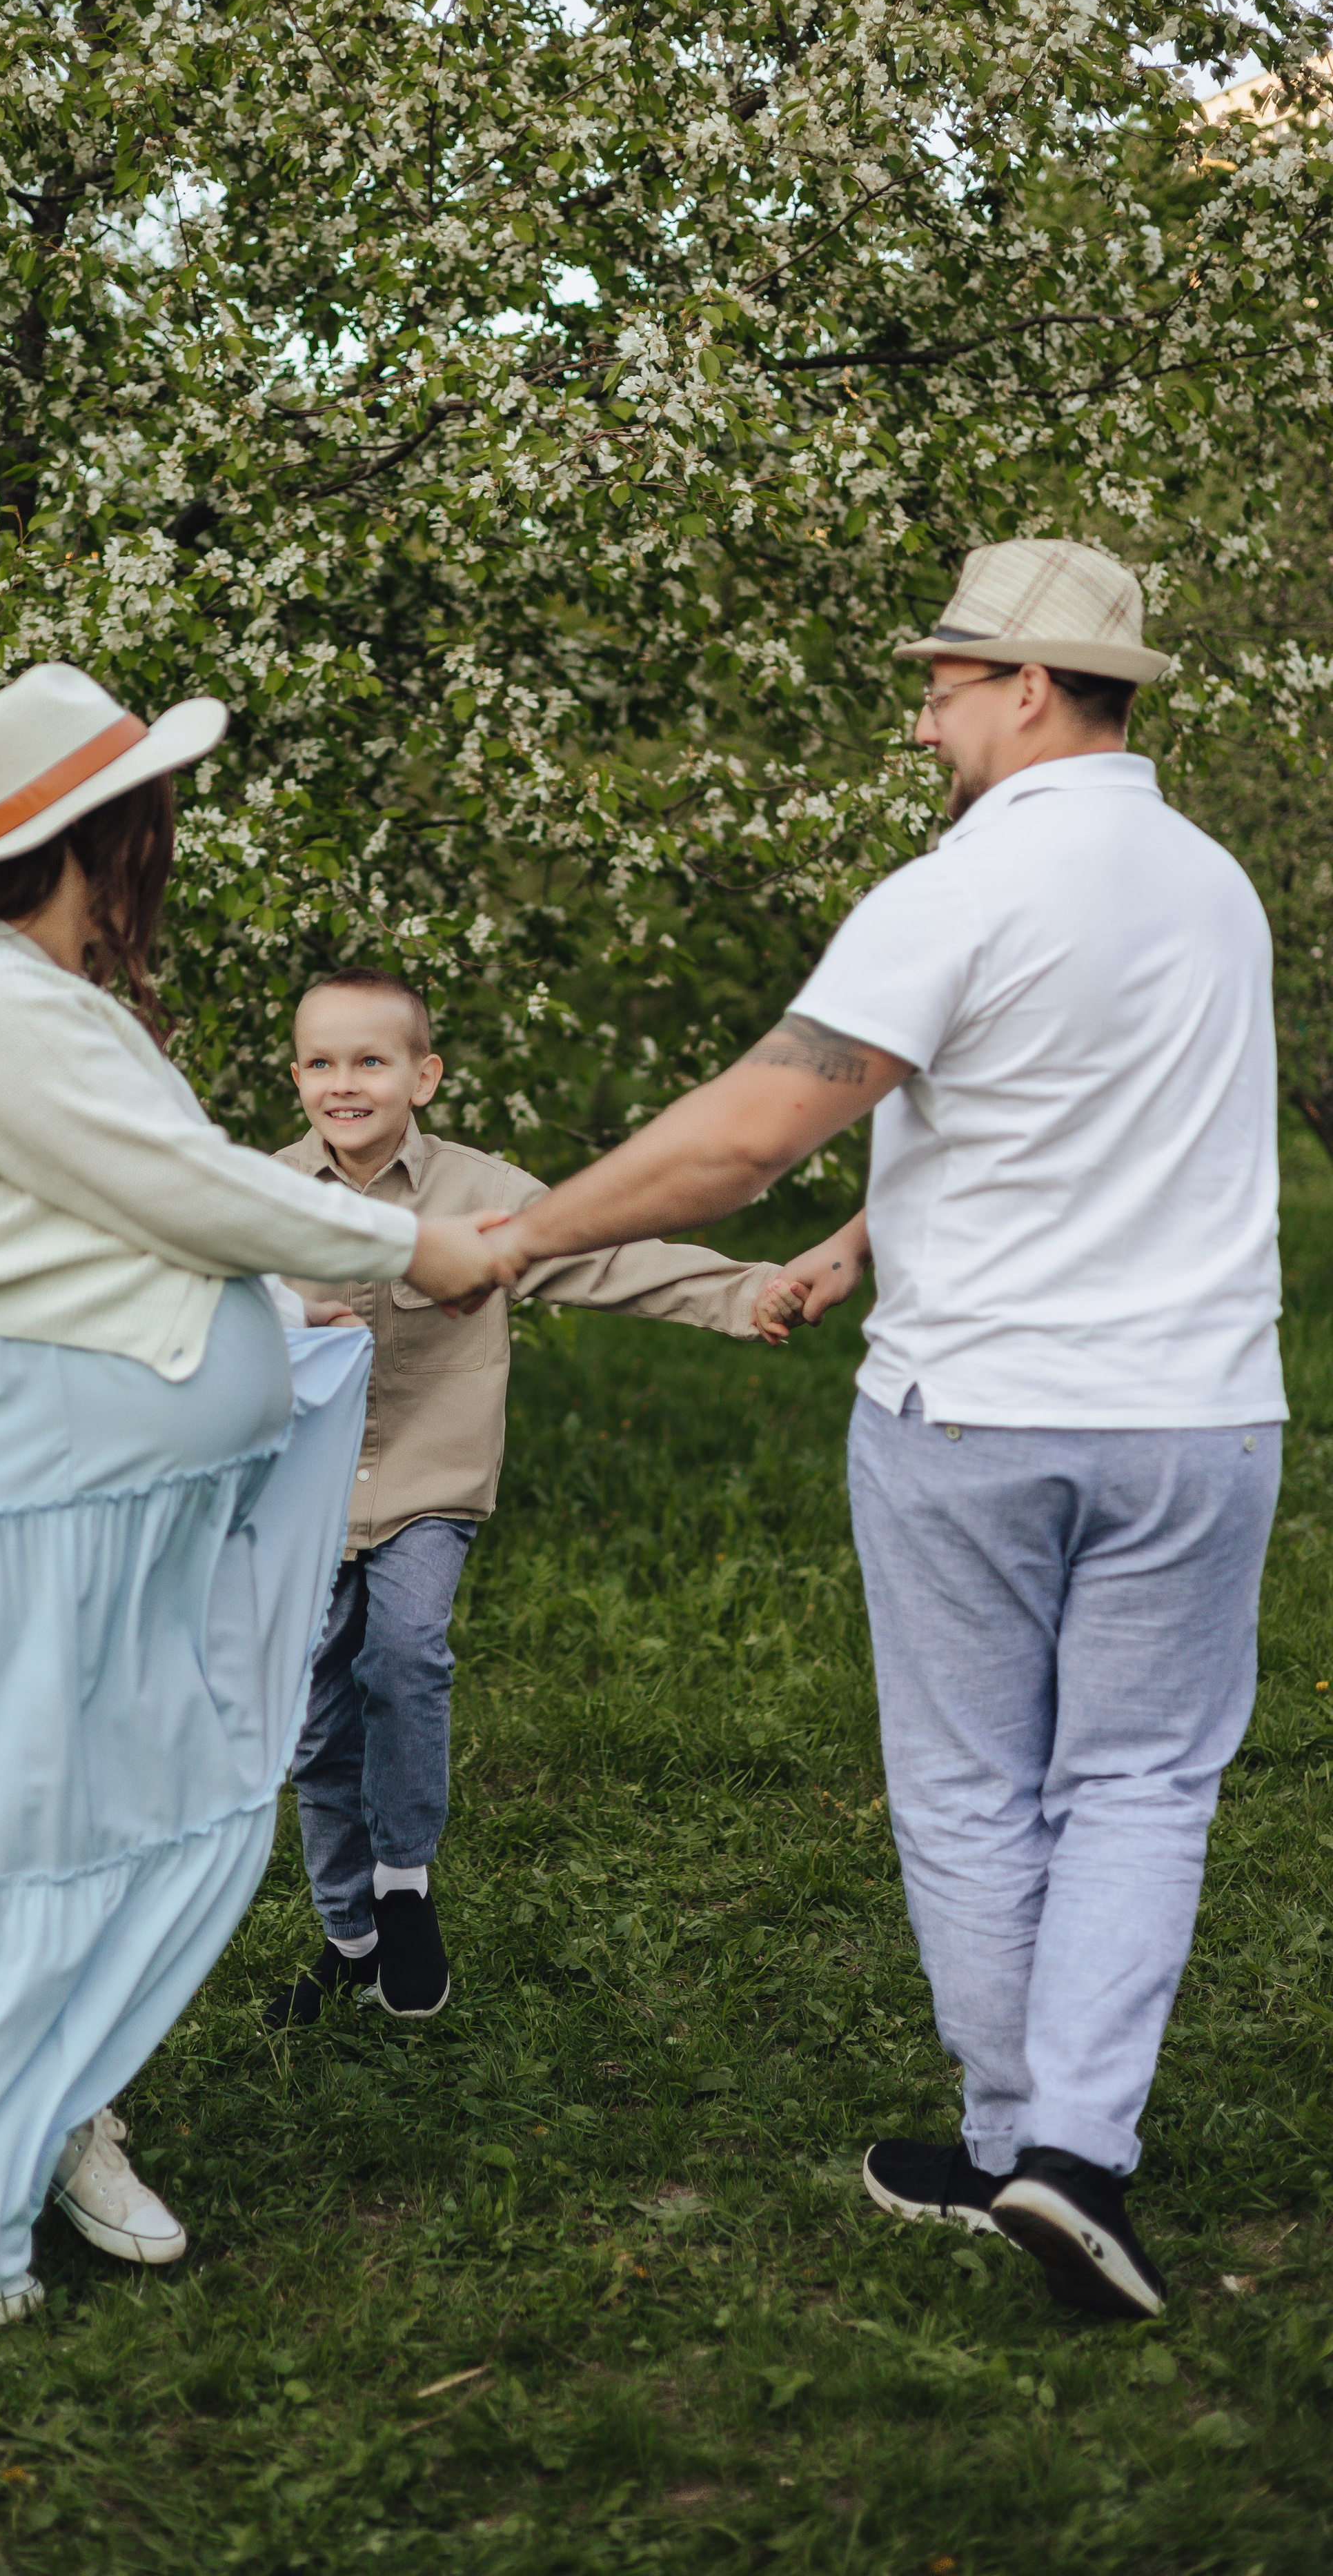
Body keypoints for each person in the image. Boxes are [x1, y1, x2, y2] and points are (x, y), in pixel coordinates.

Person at [480, 540, 1284, 2319]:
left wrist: (522, 1235)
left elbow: (748, 1132)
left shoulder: (960, 884)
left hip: (979, 1420)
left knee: (973, 1785)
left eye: (937, 683)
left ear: (1025, 686)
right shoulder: (1209, 882)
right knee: (1144, 1786)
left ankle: (1015, 2151)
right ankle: (1077, 2158)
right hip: (1199, 1420)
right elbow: (1082, 1120)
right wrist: (873, 1229)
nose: (917, 716)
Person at [0, 662, 504, 2324]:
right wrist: (412, 1240)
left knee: (82, 1809)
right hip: (0, 1492)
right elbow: (183, 1188)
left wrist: (273, 1319)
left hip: (88, 1499)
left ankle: (48, 2107)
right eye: (158, 815)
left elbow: (108, 1233)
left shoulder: (47, 1000)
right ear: (108, 829)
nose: (170, 843)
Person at [261, 969, 783, 2025]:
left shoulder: (482, 1192)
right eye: (321, 1062)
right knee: (314, 1722)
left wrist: (745, 1293)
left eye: (371, 1060)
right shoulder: (258, 1193)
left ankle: (404, 1890)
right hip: (298, 1498)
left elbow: (614, 1260)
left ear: (425, 1076)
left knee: (405, 1655)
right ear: (296, 1077)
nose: (344, 1083)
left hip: (427, 1483)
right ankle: (348, 1936)